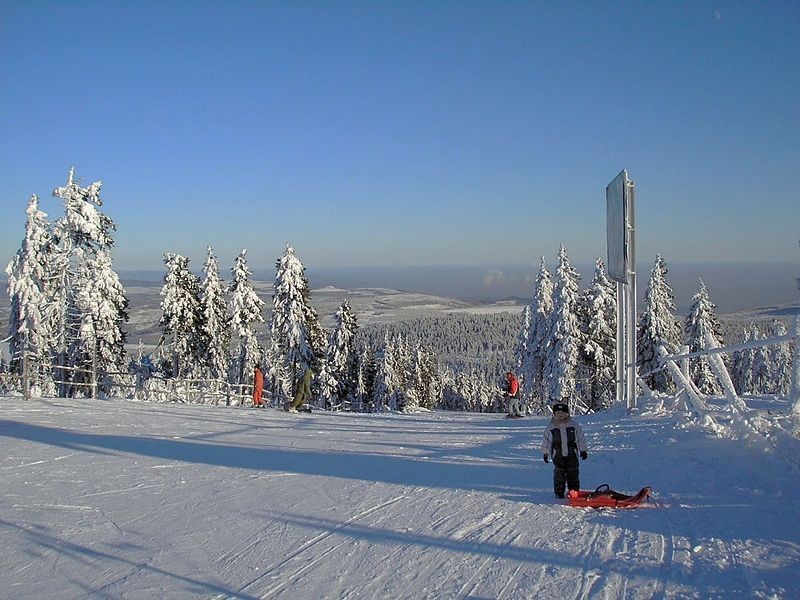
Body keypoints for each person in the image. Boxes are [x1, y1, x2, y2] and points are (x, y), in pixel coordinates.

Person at [541, 399, 588, 498]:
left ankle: (574, 491)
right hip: (558, 455)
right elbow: (547, 441)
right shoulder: (551, 427)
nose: (560, 414)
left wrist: (583, 450)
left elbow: (580, 438)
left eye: (563, 412)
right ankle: (559, 492)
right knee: (559, 474)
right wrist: (546, 453)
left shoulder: (574, 425)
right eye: (558, 412)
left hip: (572, 454)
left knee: (573, 473)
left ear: (567, 413)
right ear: (554, 414)